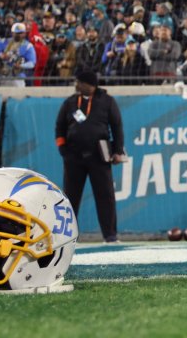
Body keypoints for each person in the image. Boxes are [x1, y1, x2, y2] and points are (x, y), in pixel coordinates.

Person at [55, 69, 125, 243]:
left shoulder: (107, 101)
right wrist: (63, 150)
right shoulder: (70, 103)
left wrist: (117, 151)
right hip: (74, 158)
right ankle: (67, 237)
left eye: (78, 82)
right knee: (70, 198)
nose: (76, 85)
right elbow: (59, 127)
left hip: (99, 157)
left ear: (89, 85)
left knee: (105, 196)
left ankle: (110, 236)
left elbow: (117, 127)